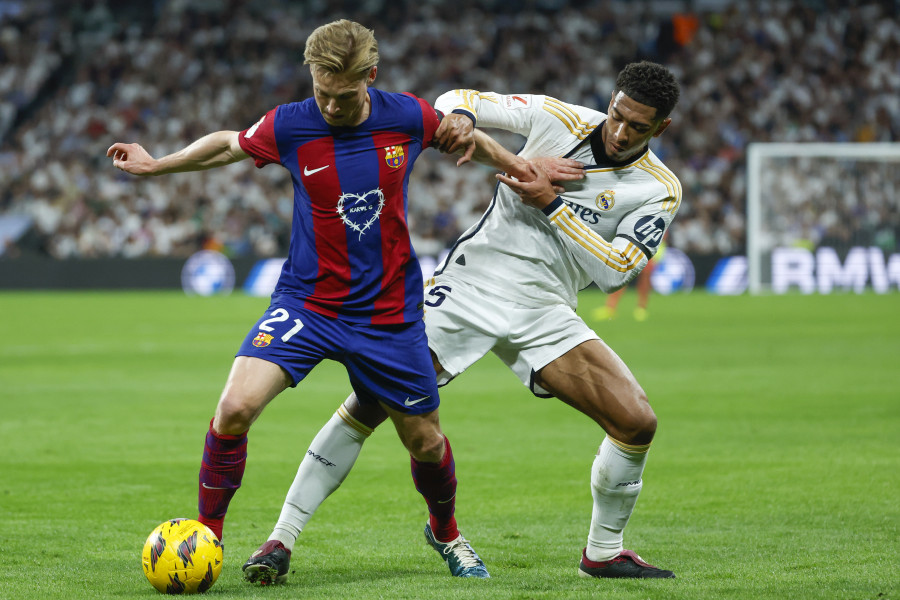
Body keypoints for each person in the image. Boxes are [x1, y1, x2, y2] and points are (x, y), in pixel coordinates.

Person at [248, 60, 681, 583]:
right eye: (617, 115)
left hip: (546, 309)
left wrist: (550, 202)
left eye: (637, 127)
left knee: (636, 422)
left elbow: (616, 272)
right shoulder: (559, 118)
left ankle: (603, 553)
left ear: (661, 128)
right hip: (470, 288)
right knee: (369, 404)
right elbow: (458, 99)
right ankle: (281, 539)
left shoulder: (658, 188)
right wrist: (474, 131)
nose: (619, 131)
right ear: (610, 101)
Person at [106, 19, 489, 583]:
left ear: (370, 77)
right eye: (321, 91)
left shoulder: (406, 115)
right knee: (234, 408)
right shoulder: (290, 123)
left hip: (388, 313)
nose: (330, 105)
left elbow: (466, 138)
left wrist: (524, 170)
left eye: (343, 94)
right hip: (308, 302)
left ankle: (447, 533)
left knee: (426, 443)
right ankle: (206, 536)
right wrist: (158, 163)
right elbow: (227, 146)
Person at [592, 239, 665, 322]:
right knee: (622, 274)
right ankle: (610, 307)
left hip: (650, 245)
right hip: (632, 243)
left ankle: (641, 308)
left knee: (645, 276)